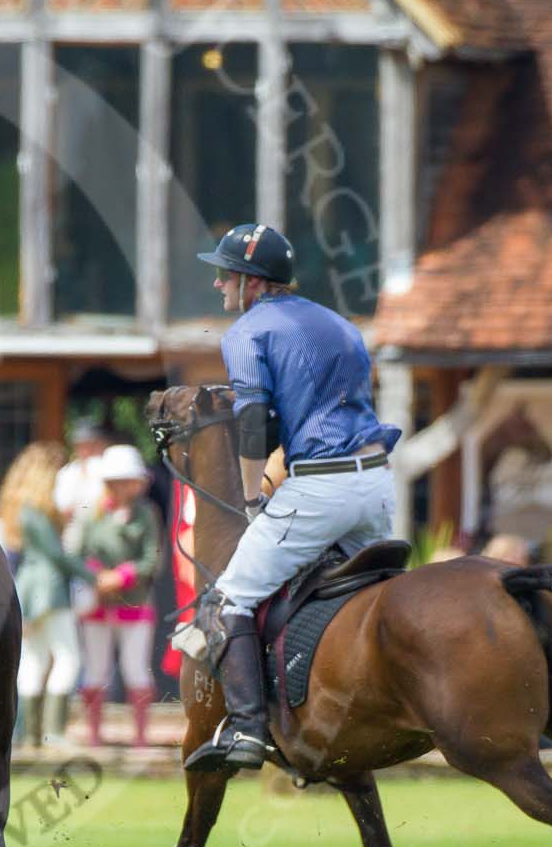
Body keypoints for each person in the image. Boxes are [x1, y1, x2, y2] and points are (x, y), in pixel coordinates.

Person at [185, 221, 402, 772]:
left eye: (223, 275)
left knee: (229, 596)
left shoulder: (247, 333)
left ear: (250, 282)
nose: (218, 286)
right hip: (376, 482)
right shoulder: (342, 326)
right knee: (366, 601)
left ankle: (250, 731)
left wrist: (255, 498)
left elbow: (256, 422)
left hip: (321, 487)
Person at [76, 444, 163, 748]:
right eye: (115, 480)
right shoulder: (92, 513)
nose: (122, 486)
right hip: (97, 604)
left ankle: (140, 738)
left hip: (135, 603)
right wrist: (96, 575)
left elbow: (152, 559)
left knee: (135, 669)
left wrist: (123, 576)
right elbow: (78, 553)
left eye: (127, 480)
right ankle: (94, 736)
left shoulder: (147, 514)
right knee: (96, 670)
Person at [0, 443, 84, 748]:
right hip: (47, 588)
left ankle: (28, 735)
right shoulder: (36, 510)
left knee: (34, 660)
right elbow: (55, 555)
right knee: (68, 658)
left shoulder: (19, 506)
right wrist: (94, 576)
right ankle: (53, 733)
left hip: (28, 587)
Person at [52, 421, 109, 534]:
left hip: (102, 531)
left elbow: (104, 503)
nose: (85, 450)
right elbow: (62, 506)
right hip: (72, 532)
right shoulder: (67, 473)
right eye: (80, 446)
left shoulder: (107, 469)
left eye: (90, 445)